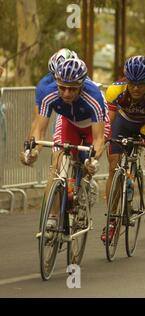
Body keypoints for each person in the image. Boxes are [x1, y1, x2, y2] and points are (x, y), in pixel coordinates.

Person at [20, 58, 108, 228]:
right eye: (62, 87)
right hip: (69, 123)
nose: (67, 93)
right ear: (56, 82)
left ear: (82, 86)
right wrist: (34, 151)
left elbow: (99, 139)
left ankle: (86, 183)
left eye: (73, 89)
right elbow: (40, 130)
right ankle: (53, 215)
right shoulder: (48, 92)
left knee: (87, 161)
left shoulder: (94, 97)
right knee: (57, 164)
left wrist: (93, 159)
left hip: (93, 126)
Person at [102, 55, 145, 242]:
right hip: (124, 123)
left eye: (141, 84)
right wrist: (103, 140)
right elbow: (108, 123)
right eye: (132, 84)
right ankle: (112, 219)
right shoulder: (115, 89)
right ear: (126, 80)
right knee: (113, 167)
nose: (136, 88)